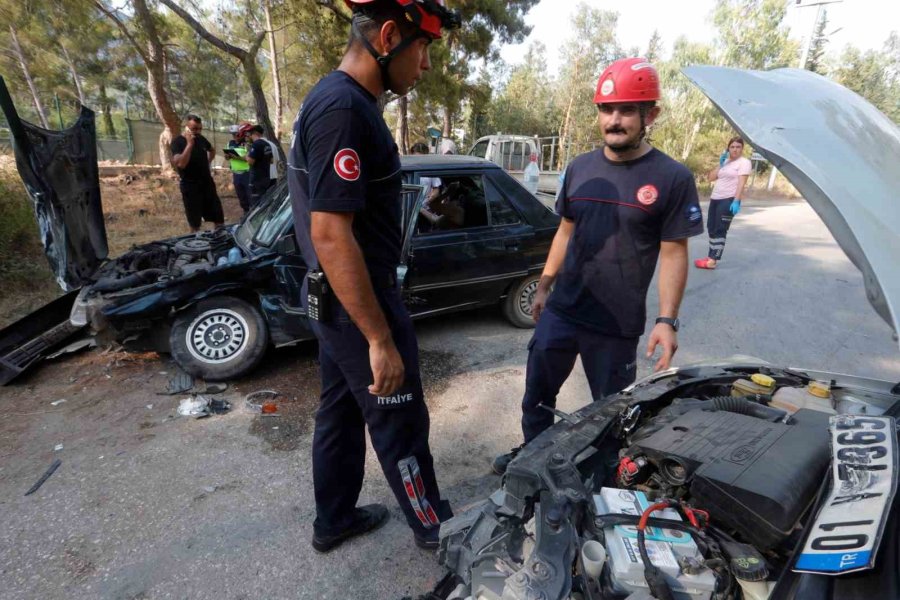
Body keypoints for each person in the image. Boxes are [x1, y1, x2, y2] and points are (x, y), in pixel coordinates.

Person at [287, 0, 460, 553]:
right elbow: (332, 234)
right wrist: (379, 337)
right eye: (424, 48)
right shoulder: (343, 109)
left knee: (339, 410)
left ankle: (333, 519)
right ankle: (436, 527)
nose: (426, 65)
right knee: (400, 417)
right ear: (388, 36)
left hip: (334, 297)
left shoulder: (342, 100)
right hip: (360, 302)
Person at [492, 57, 705, 475]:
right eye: (607, 109)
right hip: (563, 311)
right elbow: (566, 231)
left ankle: (602, 477)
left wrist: (667, 320)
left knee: (611, 413)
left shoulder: (671, 177)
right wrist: (546, 283)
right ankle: (532, 460)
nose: (614, 119)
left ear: (651, 115)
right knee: (537, 394)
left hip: (614, 325)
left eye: (627, 109)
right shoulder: (580, 168)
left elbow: (674, 252)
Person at [695, 136, 751, 269]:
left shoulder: (744, 162)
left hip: (728, 199)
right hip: (715, 199)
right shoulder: (725, 161)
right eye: (732, 147)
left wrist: (736, 200)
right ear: (728, 148)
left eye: (738, 147)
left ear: (742, 149)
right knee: (711, 227)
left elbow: (741, 183)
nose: (735, 149)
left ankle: (713, 261)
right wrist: (720, 164)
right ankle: (710, 256)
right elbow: (711, 178)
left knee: (720, 229)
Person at [170, 115, 224, 232]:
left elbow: (212, 150)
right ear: (186, 127)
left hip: (207, 183)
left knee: (218, 216)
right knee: (195, 222)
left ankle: (220, 239)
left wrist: (208, 162)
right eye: (194, 128)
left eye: (200, 128)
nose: (198, 131)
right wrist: (189, 145)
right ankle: (195, 244)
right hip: (190, 185)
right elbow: (181, 164)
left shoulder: (201, 139)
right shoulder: (177, 142)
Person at [225, 123, 251, 214]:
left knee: (249, 194)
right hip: (236, 173)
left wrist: (235, 156)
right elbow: (226, 156)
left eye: (236, 134)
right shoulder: (230, 143)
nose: (235, 136)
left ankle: (251, 212)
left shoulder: (246, 143)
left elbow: (248, 158)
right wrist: (227, 156)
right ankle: (245, 212)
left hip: (246, 173)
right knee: (241, 195)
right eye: (233, 134)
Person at [246, 125, 274, 207]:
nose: (249, 136)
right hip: (266, 178)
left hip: (256, 180)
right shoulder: (267, 144)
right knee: (264, 201)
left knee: (256, 204)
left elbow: (250, 162)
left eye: (250, 134)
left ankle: (256, 219)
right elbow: (271, 161)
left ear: (255, 133)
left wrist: (246, 157)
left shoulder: (256, 144)